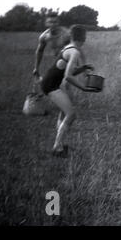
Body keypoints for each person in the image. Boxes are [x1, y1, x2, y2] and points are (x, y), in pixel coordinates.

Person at [40, 25, 95, 157]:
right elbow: (68, 76)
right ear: (83, 38)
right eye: (85, 37)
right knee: (71, 114)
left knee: (64, 114)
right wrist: (83, 88)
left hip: (51, 83)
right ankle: (57, 148)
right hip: (51, 86)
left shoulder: (69, 48)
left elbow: (69, 71)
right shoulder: (75, 52)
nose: (86, 39)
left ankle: (60, 144)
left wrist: (84, 68)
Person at [33, 13, 70, 78]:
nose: (53, 24)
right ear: (46, 23)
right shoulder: (44, 36)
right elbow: (39, 51)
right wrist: (36, 68)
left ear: (58, 23)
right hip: (50, 65)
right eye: (50, 22)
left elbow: (72, 50)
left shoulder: (66, 34)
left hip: (64, 64)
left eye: (55, 22)